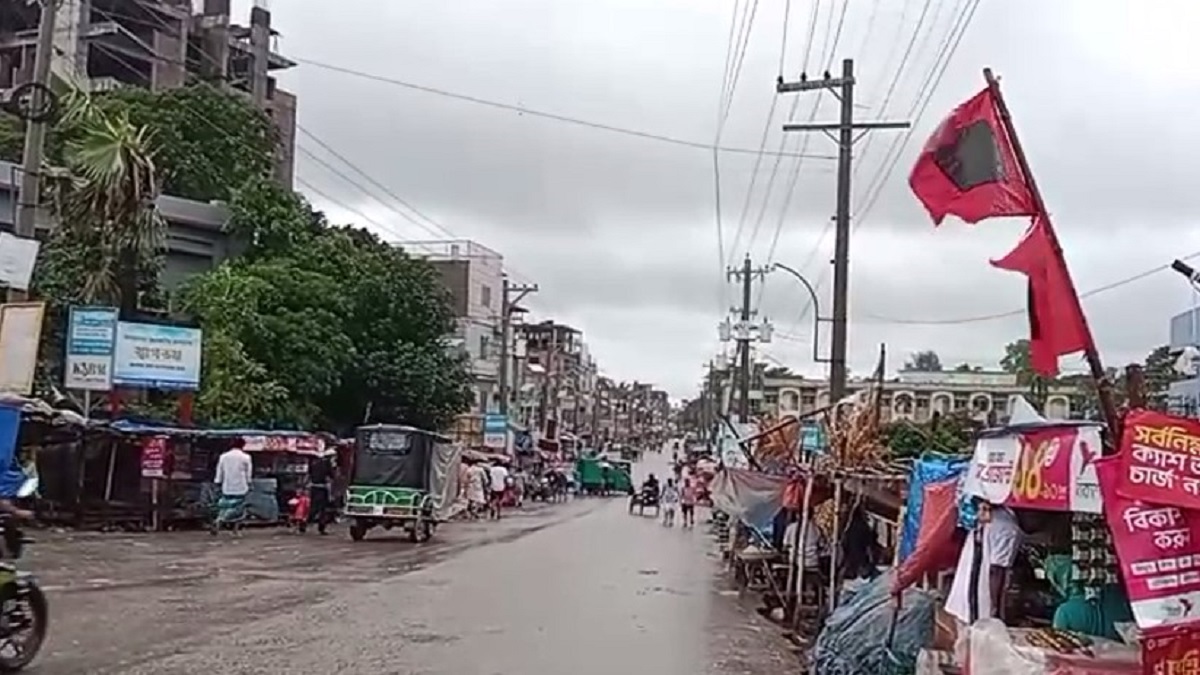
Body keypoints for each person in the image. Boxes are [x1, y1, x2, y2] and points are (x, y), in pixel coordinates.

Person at [945, 505, 1025, 624]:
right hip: (980, 604)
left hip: (965, 596)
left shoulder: (995, 514)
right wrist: (995, 612)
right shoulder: (1009, 527)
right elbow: (996, 571)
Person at [212, 438, 253, 536]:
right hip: (241, 486)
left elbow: (219, 471)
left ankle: (219, 520)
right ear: (243, 445)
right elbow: (248, 473)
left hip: (227, 486)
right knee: (239, 509)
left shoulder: (224, 456)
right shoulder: (246, 457)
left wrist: (218, 481)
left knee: (225, 506)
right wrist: (249, 483)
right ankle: (235, 530)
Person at [306, 450, 335, 535]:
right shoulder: (327, 464)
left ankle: (304, 524)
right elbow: (331, 475)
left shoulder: (314, 463)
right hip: (322, 488)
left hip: (314, 487)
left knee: (313, 508)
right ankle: (321, 528)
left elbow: (309, 474)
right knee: (323, 509)